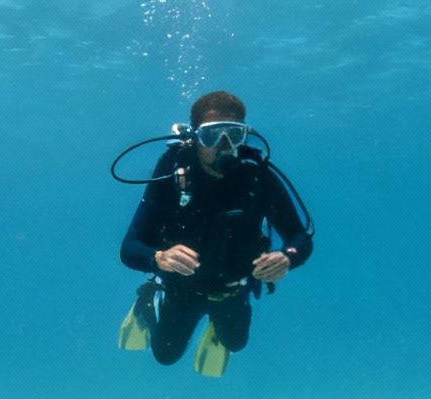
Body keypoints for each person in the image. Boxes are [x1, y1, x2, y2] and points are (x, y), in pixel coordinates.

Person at [115, 91, 313, 376]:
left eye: (234, 134)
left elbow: (300, 236)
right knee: (165, 355)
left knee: (237, 342)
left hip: (233, 288)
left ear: (246, 135)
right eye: (212, 136)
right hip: (182, 289)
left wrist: (287, 258)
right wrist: (158, 258)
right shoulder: (173, 174)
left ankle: (219, 327)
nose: (224, 146)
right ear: (196, 137)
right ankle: (149, 301)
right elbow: (130, 247)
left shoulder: (257, 177)